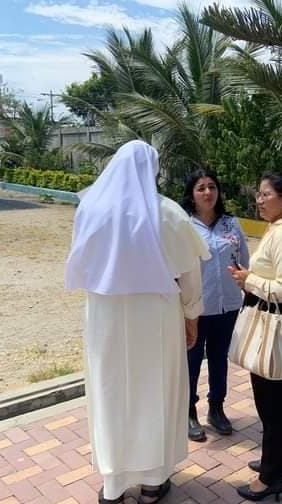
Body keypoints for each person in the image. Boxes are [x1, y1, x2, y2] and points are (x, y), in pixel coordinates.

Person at [65, 141, 210, 504]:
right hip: (156, 316)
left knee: (110, 393)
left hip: (105, 318)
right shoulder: (167, 213)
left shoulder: (90, 208)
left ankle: (113, 485)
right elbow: (190, 273)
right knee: (155, 392)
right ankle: (152, 482)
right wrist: (191, 315)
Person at [229, 170, 282, 501]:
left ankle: (271, 476)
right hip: (270, 318)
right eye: (259, 194)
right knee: (274, 398)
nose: (259, 200)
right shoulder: (278, 229)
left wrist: (249, 280)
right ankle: (278, 459)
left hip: (277, 321)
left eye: (266, 195)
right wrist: (249, 279)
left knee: (271, 401)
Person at [182, 169, 249, 442]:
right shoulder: (184, 226)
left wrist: (247, 286)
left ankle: (217, 408)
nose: (208, 192)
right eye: (201, 188)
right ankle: (189, 411)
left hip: (227, 305)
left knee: (220, 358)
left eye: (212, 186)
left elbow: (244, 260)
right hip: (195, 308)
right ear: (192, 194)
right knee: (191, 361)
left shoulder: (231, 224)